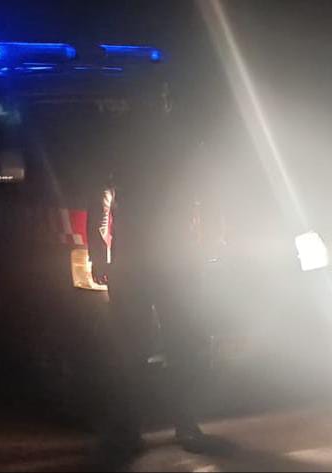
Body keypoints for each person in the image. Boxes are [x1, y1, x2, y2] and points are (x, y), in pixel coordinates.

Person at [88, 84, 229, 463]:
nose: (157, 105)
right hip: (143, 260)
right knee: (145, 347)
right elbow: (100, 199)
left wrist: (210, 242)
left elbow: (207, 195)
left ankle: (173, 424)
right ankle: (143, 427)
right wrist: (98, 255)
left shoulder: (172, 142)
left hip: (165, 259)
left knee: (176, 345)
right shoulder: (138, 143)